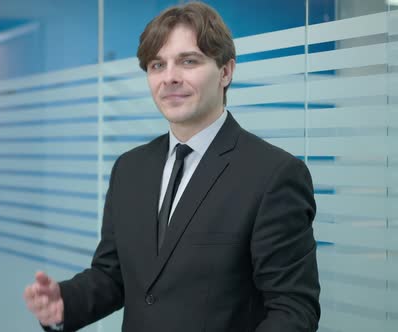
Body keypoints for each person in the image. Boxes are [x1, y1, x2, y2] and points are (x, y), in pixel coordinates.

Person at [23, 2, 320, 331]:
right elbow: (115, 275)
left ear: (226, 71)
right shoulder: (130, 169)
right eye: (156, 65)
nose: (169, 78)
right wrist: (66, 302)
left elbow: (293, 309)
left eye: (188, 61)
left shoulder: (273, 174)